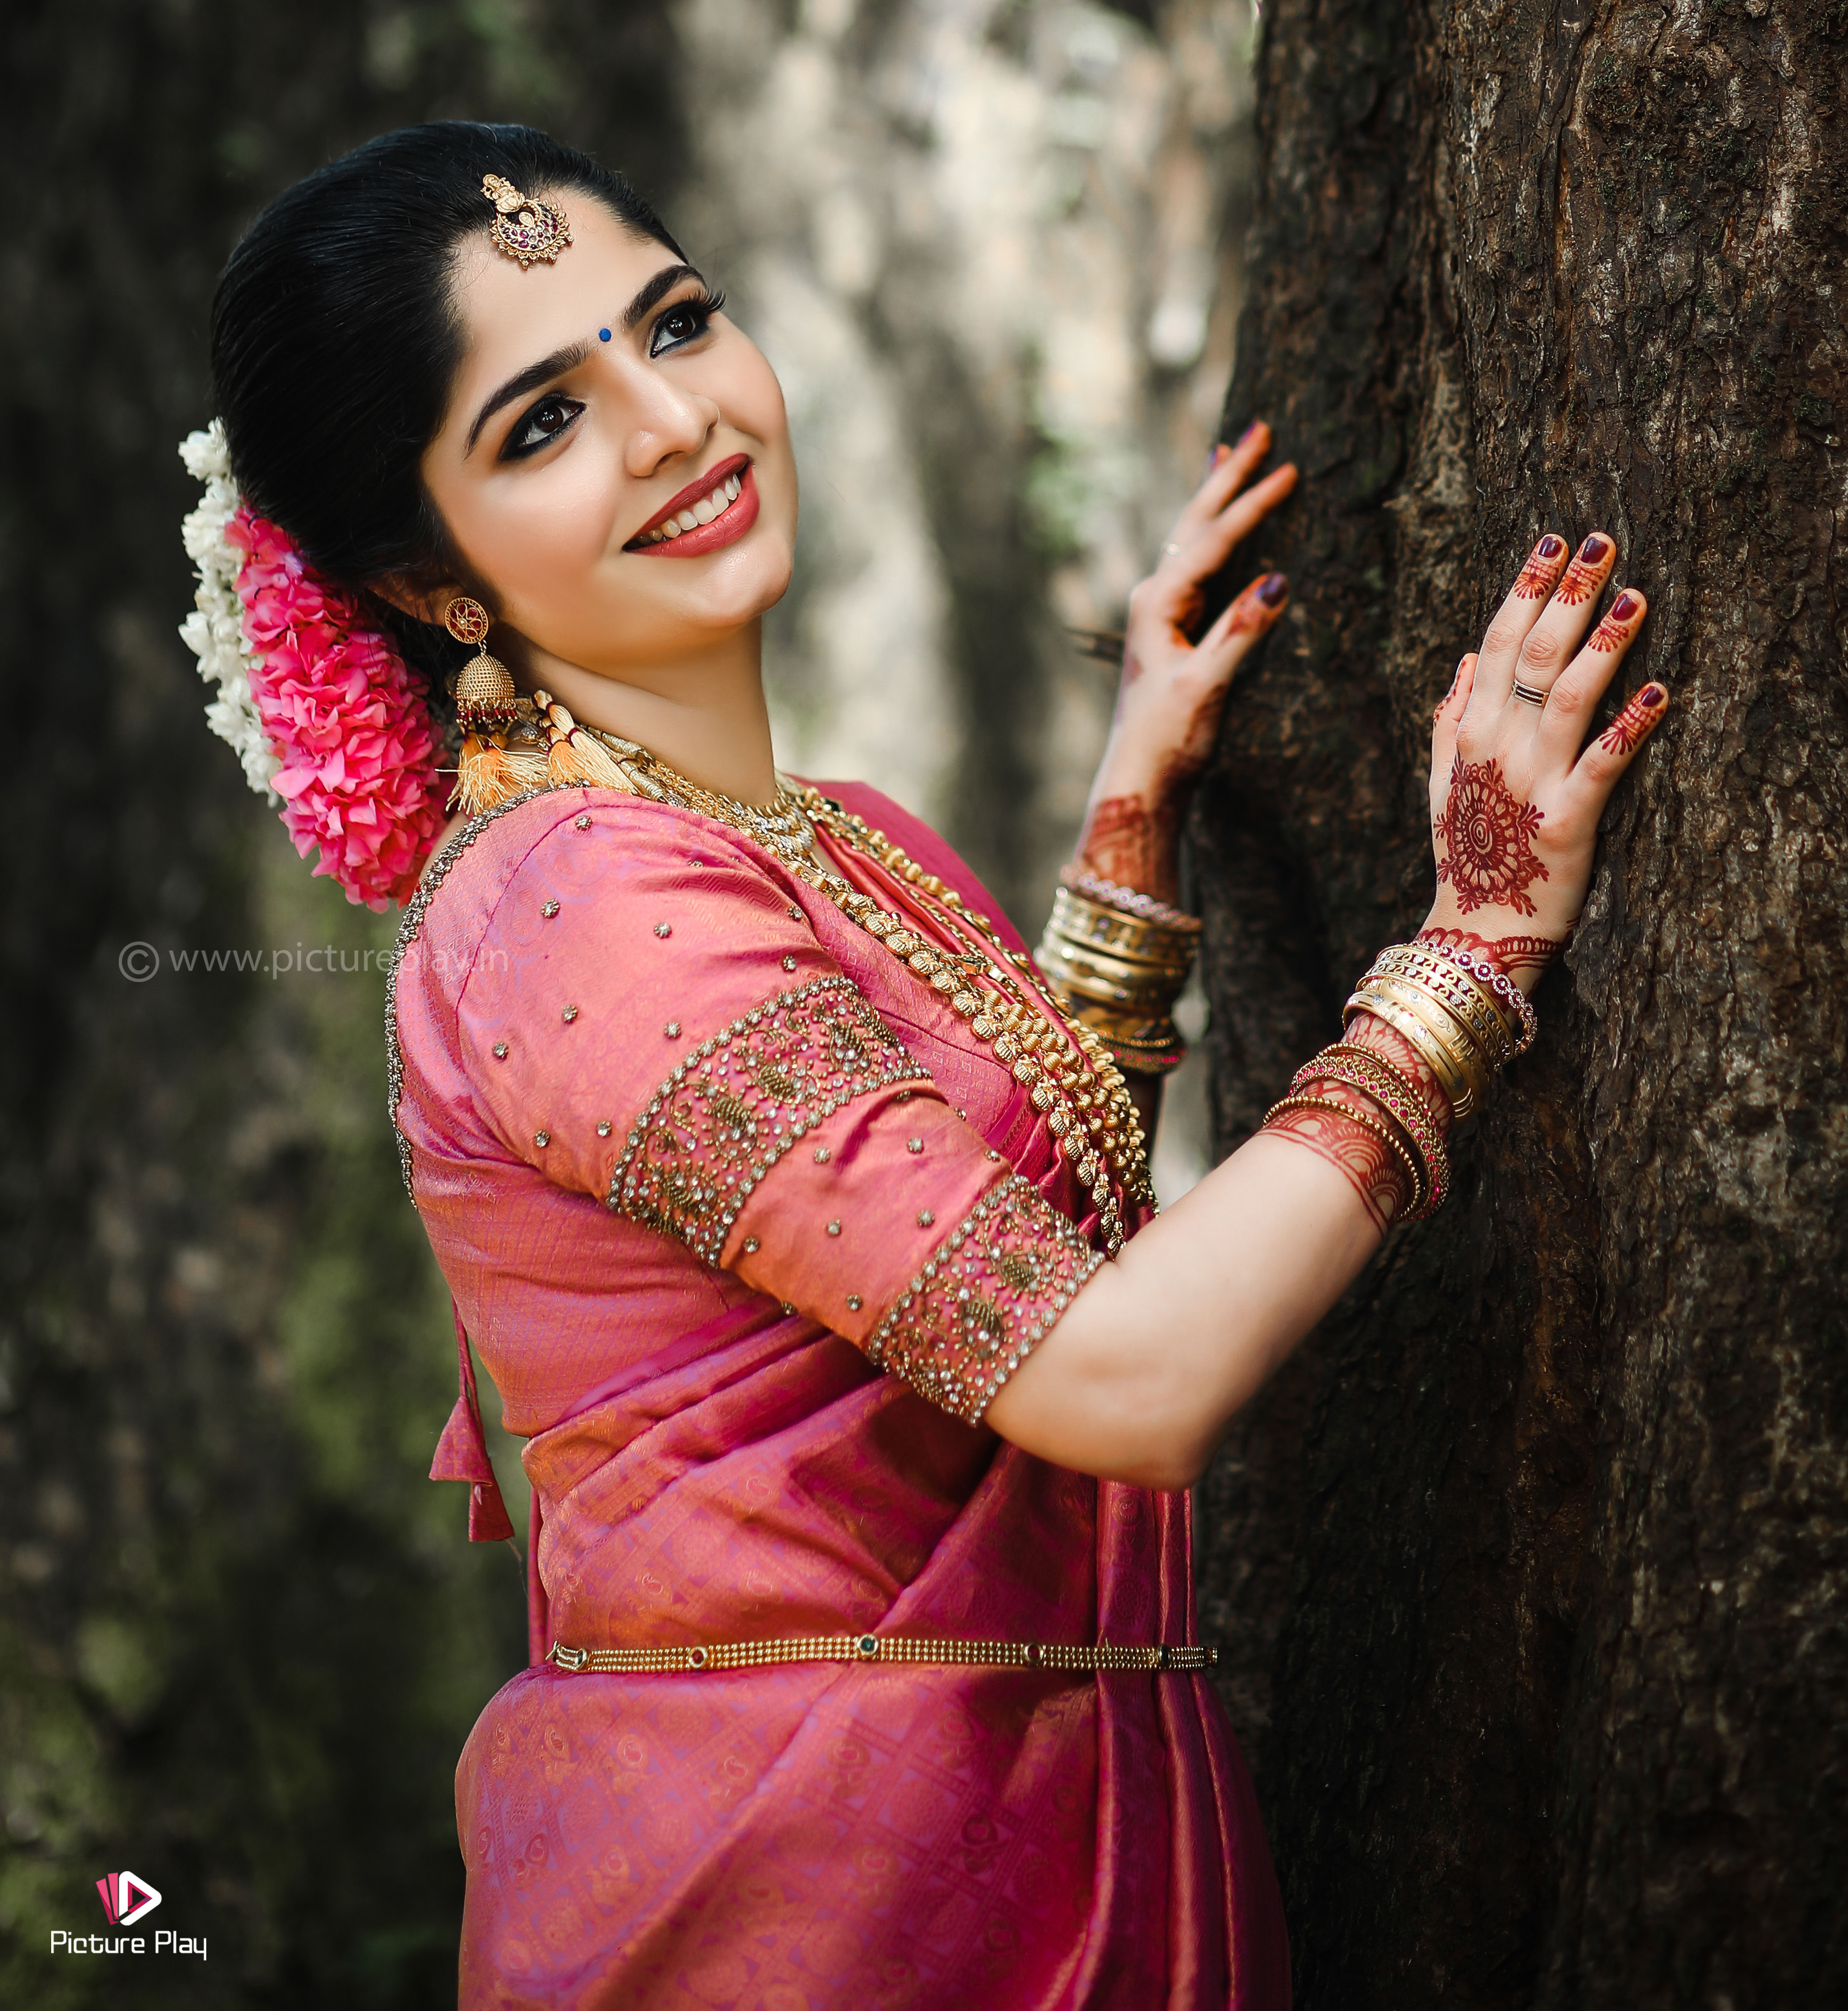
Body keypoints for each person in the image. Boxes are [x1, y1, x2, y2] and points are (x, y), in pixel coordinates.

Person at [182, 121, 1669, 2009]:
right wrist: (1470, 951)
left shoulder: (822, 835)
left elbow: (983, 1256)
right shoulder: (577, 903)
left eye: (677, 322)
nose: (674, 424)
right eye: (542, 423)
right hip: (814, 1895)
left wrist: (1136, 804)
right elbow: (1116, 1375)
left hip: (1035, 1827)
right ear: (424, 580)